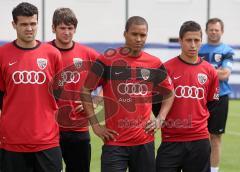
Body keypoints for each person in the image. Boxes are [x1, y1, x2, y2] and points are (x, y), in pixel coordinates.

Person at [81, 16, 174, 172]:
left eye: (142, 35)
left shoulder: (155, 63)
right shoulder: (106, 60)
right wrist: (96, 126)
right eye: (134, 34)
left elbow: (169, 93)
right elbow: (85, 90)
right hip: (114, 144)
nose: (138, 39)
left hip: (144, 143)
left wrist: (161, 118)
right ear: (125, 34)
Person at [0, 2, 62, 172]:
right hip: (12, 142)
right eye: (24, 24)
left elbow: (57, 95)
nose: (29, 28)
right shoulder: (2, 54)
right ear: (14, 25)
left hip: (47, 141)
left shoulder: (52, 54)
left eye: (33, 23)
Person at [156, 21, 219, 172]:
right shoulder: (166, 68)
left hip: (199, 141)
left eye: (196, 40)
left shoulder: (209, 71)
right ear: (180, 41)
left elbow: (212, 104)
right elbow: (156, 104)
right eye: (188, 40)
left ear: (201, 41)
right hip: (171, 140)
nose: (193, 45)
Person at [50, 8, 100, 172]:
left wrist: (95, 99)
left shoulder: (87, 54)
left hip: (78, 127)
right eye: (62, 28)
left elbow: (109, 79)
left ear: (75, 29)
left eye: (70, 28)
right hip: (49, 130)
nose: (67, 32)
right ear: (53, 28)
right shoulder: (44, 52)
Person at [199, 18, 235, 172]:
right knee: (199, 137)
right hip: (200, 97)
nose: (214, 32)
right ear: (206, 31)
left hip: (220, 97)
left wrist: (204, 69)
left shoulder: (227, 50)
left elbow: (225, 74)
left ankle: (214, 170)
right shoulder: (198, 49)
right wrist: (215, 71)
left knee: (215, 137)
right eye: (211, 29)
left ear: (222, 31)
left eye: (217, 29)